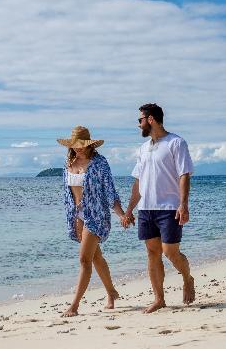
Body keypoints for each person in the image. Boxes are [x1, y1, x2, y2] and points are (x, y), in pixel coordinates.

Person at [124, 103, 195, 313]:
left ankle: (187, 277)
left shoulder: (176, 143)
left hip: (169, 207)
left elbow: (184, 174)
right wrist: (129, 210)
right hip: (146, 209)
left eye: (140, 120)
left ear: (151, 119)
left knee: (170, 252)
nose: (139, 124)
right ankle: (159, 299)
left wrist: (183, 204)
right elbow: (138, 182)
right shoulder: (143, 149)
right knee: (152, 253)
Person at [57, 126, 130, 317]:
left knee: (84, 259)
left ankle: (74, 305)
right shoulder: (68, 162)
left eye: (81, 145)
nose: (78, 148)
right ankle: (112, 293)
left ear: (89, 144)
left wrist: (121, 214)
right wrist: (72, 217)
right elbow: (68, 195)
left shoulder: (99, 163)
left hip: (96, 215)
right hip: (77, 216)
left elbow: (110, 191)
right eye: (74, 145)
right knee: (96, 257)